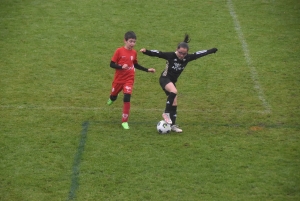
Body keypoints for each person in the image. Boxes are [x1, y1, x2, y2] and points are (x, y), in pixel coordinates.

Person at [140, 34, 217, 133]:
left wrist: (211, 50)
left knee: (174, 102)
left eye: (184, 54)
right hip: (164, 79)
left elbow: (199, 53)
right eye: (180, 53)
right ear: (177, 49)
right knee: (174, 91)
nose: (181, 55)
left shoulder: (187, 58)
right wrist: (146, 52)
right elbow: (158, 53)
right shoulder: (171, 55)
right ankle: (166, 114)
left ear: (187, 53)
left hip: (172, 82)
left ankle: (172, 125)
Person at [107, 31, 155, 130]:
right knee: (114, 96)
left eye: (134, 42)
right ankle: (112, 98)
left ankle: (124, 121)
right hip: (118, 80)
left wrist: (147, 70)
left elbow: (135, 64)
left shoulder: (134, 52)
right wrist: (120, 66)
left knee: (127, 97)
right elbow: (111, 64)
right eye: (130, 41)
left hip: (129, 79)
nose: (132, 44)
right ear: (125, 41)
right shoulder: (119, 51)